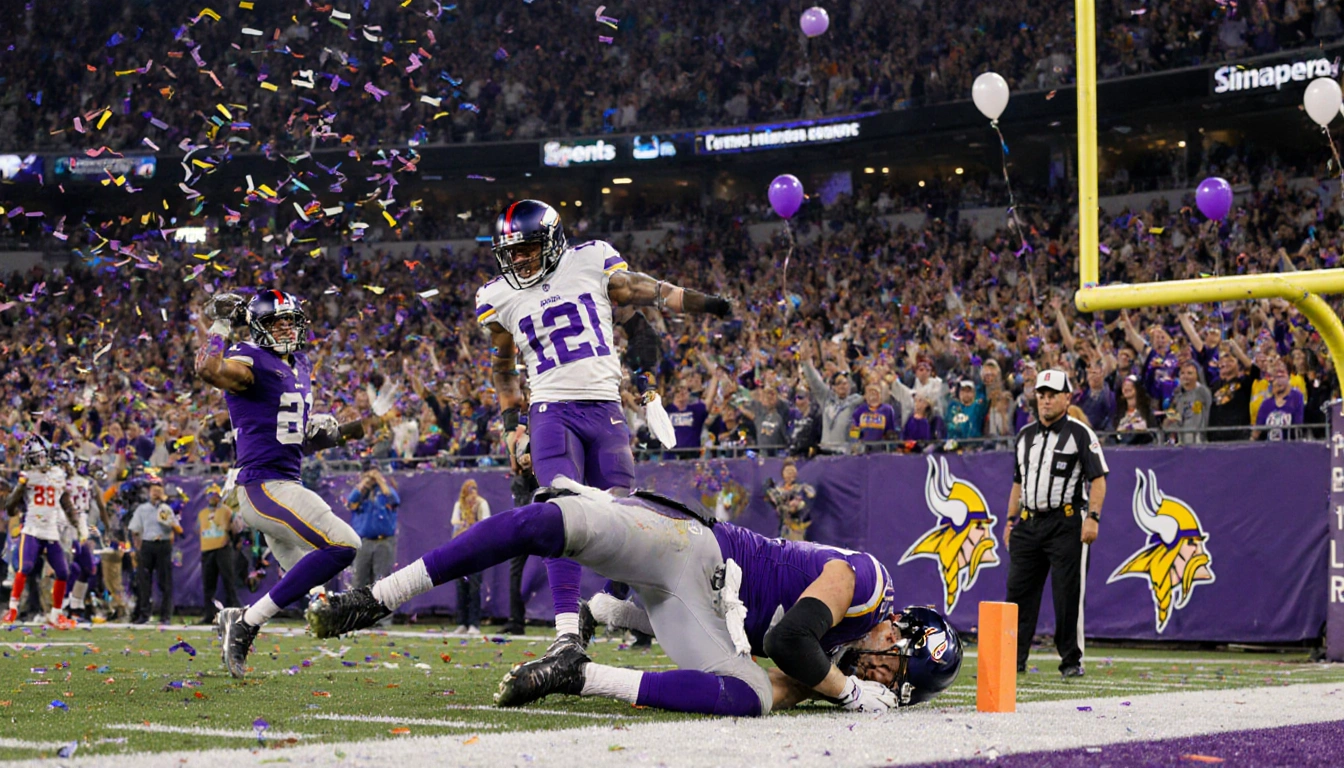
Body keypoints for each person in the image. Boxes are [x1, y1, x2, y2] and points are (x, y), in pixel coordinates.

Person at [305, 481, 962, 717]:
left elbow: (779, 680)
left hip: (698, 615)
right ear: (898, 630)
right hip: (697, 552)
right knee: (547, 523)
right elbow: (789, 642)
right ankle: (377, 595)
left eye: (895, 685)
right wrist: (847, 695)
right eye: (895, 667)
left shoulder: (845, 658)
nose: (882, 676)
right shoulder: (870, 583)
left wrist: (829, 691)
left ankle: (580, 673)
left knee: (751, 698)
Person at [476, 199, 732, 653]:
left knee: (625, 522)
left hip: (605, 408)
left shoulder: (591, 258)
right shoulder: (498, 296)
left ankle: (603, 609)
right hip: (551, 409)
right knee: (562, 511)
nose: (517, 259)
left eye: (527, 248)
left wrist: (701, 302)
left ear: (553, 242)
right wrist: (513, 427)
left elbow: (639, 289)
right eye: (510, 252)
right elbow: (502, 368)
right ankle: (565, 634)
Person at [195, 289, 374, 678]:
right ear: (258, 328)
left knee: (309, 583)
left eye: (290, 321)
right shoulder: (250, 358)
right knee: (345, 544)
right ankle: (244, 622)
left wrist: (349, 430)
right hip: (262, 486)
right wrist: (220, 325)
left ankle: (240, 621)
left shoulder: (300, 363)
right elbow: (209, 370)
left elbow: (295, 441)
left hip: (283, 482)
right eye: (276, 322)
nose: (286, 329)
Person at [1004, 370, 1109, 678]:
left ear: (1067, 397)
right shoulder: (1024, 436)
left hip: (1066, 522)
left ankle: (1071, 661)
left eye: (1053, 394)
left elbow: (1098, 479)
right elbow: (1017, 484)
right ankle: (1012, 660)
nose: (1046, 400)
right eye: (1042, 394)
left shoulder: (1080, 433)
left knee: (1067, 594)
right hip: (1028, 522)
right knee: (1017, 594)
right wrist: (1010, 520)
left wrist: (1093, 517)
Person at [2, 437, 79, 628]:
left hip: (51, 531)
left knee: (63, 572)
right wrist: (21, 486)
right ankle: (12, 609)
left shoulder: (58, 474)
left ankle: (56, 614)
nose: (38, 461)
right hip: (32, 529)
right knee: (25, 568)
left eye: (39, 456)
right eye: (34, 458)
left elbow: (66, 502)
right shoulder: (27, 476)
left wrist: (77, 523)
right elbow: (10, 508)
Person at [346, 465, 401, 628]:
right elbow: (350, 502)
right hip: (363, 541)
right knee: (359, 581)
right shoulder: (360, 494)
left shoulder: (385, 492)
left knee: (382, 581)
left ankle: (382, 620)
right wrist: (364, 484)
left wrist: (380, 481)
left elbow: (395, 500)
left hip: (384, 541)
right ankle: (358, 618)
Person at [60, 451, 109, 622]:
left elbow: (101, 507)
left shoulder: (88, 483)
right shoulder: (61, 481)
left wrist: (107, 529)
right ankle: (63, 606)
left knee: (88, 568)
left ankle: (75, 607)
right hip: (64, 527)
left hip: (81, 525)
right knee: (70, 569)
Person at [127, 479, 182, 625]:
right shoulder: (142, 509)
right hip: (147, 544)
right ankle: (144, 614)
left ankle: (165, 616)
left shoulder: (166, 508)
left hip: (162, 544)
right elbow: (135, 529)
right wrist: (137, 547)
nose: (156, 493)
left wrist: (170, 524)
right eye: (154, 490)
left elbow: (176, 528)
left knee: (165, 582)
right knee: (144, 581)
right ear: (149, 492)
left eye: (159, 490)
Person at [450, 479, 492, 634]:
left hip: (476, 548)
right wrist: (462, 524)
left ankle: (474, 623)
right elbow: (454, 521)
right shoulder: (459, 505)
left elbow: (486, 524)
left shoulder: (482, 504)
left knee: (474, 586)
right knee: (461, 586)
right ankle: (462, 622)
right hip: (460, 548)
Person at [197, 484, 240, 625]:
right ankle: (209, 615)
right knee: (208, 584)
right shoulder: (202, 513)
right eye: (210, 495)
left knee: (229, 581)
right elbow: (200, 529)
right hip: (207, 549)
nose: (212, 498)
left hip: (223, 548)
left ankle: (234, 615)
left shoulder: (227, 511)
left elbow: (235, 529)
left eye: (215, 495)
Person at [764, 460, 817, 541]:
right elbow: (775, 503)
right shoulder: (778, 490)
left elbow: (811, 494)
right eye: (788, 471)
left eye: (792, 471)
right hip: (784, 526)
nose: (790, 474)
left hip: (797, 527)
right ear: (783, 474)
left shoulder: (800, 488)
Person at [1254, 362, 1305, 441]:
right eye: (1277, 378)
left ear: (1288, 378)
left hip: (1291, 447)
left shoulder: (1296, 397)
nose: (1280, 381)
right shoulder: (1266, 404)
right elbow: (1257, 431)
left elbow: (1298, 426)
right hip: (1269, 448)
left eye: (1282, 377)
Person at [1164, 360, 1212, 444]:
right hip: (1181, 440)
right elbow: (1169, 421)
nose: (1185, 376)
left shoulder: (1202, 392)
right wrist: (1169, 421)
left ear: (1197, 376)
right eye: (1182, 373)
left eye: (1189, 373)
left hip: (1198, 440)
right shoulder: (1177, 395)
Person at [849, 383, 898, 449]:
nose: (874, 396)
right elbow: (854, 431)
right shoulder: (859, 411)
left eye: (877, 393)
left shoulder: (888, 410)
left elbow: (891, 430)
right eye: (871, 393)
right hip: (864, 448)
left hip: (881, 448)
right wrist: (854, 445)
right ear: (865, 396)